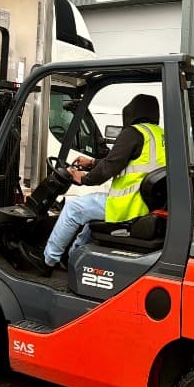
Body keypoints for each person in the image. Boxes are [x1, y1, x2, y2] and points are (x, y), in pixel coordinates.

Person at [21, 94, 166, 275]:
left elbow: (109, 167)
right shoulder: (159, 135)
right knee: (89, 217)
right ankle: (73, 258)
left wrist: (84, 178)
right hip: (145, 204)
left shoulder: (133, 133)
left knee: (73, 208)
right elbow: (124, 162)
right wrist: (91, 163)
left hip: (127, 205)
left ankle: (47, 261)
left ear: (132, 111)